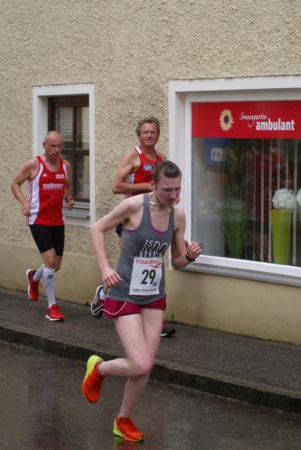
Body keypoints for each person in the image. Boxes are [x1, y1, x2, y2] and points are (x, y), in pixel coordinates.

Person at [83, 161, 201, 442]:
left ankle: (122, 419)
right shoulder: (134, 206)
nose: (173, 195)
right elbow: (97, 228)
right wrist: (105, 267)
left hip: (154, 295)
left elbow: (176, 262)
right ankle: (99, 369)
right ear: (154, 185)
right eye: (167, 190)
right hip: (124, 292)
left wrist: (190, 257)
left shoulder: (178, 216)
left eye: (177, 189)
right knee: (140, 363)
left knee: (146, 363)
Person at [93, 117, 176, 337]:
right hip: (132, 219)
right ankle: (107, 296)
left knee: (151, 264)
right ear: (139, 135)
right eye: (145, 132)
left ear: (158, 135)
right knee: (130, 268)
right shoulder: (133, 155)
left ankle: (151, 318)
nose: (149, 135)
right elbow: (116, 186)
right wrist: (145, 187)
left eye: (153, 132)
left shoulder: (161, 159)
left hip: (154, 219)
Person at [11, 131, 74, 322]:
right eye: (53, 146)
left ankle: (34, 277)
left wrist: (69, 198)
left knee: (56, 265)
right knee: (50, 261)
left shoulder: (65, 166)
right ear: (44, 145)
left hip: (57, 220)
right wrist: (24, 203)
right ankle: (52, 307)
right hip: (38, 219)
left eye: (60, 146)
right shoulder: (34, 165)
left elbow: (67, 185)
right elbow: (15, 184)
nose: (56, 150)